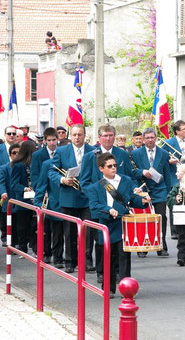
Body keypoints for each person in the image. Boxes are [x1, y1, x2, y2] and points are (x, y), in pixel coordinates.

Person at [86, 153, 146, 298]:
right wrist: (108, 210)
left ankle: (127, 288)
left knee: (124, 257)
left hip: (122, 223)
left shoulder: (125, 180)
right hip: (106, 225)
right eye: (109, 166)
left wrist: (142, 200)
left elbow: (131, 200)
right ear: (101, 168)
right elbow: (94, 206)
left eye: (114, 165)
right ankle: (108, 287)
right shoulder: (95, 187)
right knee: (108, 258)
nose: (113, 168)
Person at [80, 124, 131, 283]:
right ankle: (101, 272)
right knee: (101, 241)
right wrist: (97, 194)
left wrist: (134, 192)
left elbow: (129, 177)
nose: (108, 138)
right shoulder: (90, 156)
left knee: (119, 243)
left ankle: (117, 273)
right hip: (100, 206)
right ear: (99, 137)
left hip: (119, 206)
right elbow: (84, 181)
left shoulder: (122, 154)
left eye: (111, 135)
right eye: (105, 136)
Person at [49, 124, 95, 273]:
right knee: (69, 232)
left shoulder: (93, 151)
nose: (77, 137)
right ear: (71, 136)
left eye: (80, 135)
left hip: (88, 198)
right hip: (69, 197)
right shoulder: (62, 151)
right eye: (74, 135)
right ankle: (70, 261)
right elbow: (52, 171)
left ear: (84, 136)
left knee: (88, 232)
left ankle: (87, 260)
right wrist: (62, 180)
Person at [130, 127, 172, 256]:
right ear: (143, 139)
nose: (150, 140)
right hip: (143, 189)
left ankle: (161, 245)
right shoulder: (136, 153)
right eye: (147, 138)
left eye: (152, 137)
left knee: (161, 218)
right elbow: (131, 172)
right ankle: (142, 247)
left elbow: (167, 173)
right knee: (143, 218)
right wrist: (142, 172)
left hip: (160, 189)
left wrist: (169, 192)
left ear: (156, 138)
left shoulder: (163, 153)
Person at [34, 139, 69, 267]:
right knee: (57, 233)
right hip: (55, 204)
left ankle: (72, 259)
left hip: (72, 205)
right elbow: (42, 184)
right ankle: (58, 258)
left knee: (71, 234)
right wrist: (38, 202)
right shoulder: (48, 164)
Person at [163, 120, 185, 239]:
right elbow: (164, 160)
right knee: (176, 199)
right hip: (174, 174)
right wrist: (169, 161)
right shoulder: (168, 143)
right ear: (177, 131)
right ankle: (175, 230)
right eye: (184, 129)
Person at [0, 126, 17, 246]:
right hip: (3, 185)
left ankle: (16, 238)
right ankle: (5, 236)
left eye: (13, 133)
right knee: (4, 211)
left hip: (16, 185)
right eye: (9, 133)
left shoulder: (19, 148)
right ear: (5, 135)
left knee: (17, 212)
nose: (11, 135)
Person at [10, 142, 37, 255]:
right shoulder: (18, 165)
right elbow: (14, 184)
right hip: (23, 200)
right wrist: (25, 188)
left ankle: (35, 248)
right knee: (22, 226)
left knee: (34, 226)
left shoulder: (34, 164)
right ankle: (22, 248)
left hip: (35, 198)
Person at [0, 144, 21, 249]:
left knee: (20, 224)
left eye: (18, 153)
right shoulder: (4, 168)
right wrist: (3, 193)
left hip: (21, 199)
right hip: (9, 198)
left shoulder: (24, 167)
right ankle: (10, 243)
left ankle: (20, 243)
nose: (16, 155)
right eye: (14, 153)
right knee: (9, 223)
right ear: (10, 155)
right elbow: (1, 182)